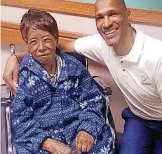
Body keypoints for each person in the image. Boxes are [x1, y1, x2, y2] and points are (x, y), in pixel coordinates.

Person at [3, 0, 162, 154]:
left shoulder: (160, 57)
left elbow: (93, 101)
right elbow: (54, 47)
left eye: (113, 14)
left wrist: (87, 130)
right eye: (100, 17)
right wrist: (16, 57)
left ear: (128, 15)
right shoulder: (99, 43)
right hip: (137, 118)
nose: (107, 23)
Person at [9, 9, 115, 154]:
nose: (41, 47)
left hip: (78, 131)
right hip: (42, 139)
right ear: (26, 43)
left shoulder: (74, 67)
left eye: (46, 39)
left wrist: (86, 130)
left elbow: (93, 101)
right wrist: (49, 143)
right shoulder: (23, 76)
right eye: (33, 42)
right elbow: (20, 121)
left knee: (100, 144)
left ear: (56, 38)